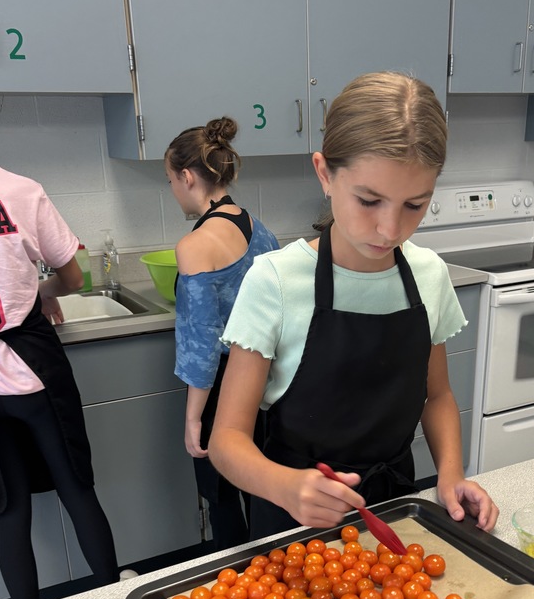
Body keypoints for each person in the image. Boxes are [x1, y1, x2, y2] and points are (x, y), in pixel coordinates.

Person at [208, 71, 499, 539]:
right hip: (293, 524)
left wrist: (451, 474)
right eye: (369, 200)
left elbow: (438, 394)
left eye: (415, 205)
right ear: (324, 173)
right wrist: (286, 487)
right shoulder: (276, 281)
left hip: (398, 513)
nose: (390, 229)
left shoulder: (428, 275)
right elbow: (226, 441)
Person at [0, 57, 119, 599]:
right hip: (34, 365)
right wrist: (40, 292)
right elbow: (72, 275)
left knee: (8, 509)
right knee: (76, 489)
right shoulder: (20, 190)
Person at [165, 117, 279, 550]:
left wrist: (194, 418)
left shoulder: (195, 246)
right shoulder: (258, 228)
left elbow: (200, 346)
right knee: (262, 487)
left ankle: (234, 584)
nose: (173, 188)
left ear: (188, 177)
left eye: (171, 179)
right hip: (266, 382)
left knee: (223, 496)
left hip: (222, 390)